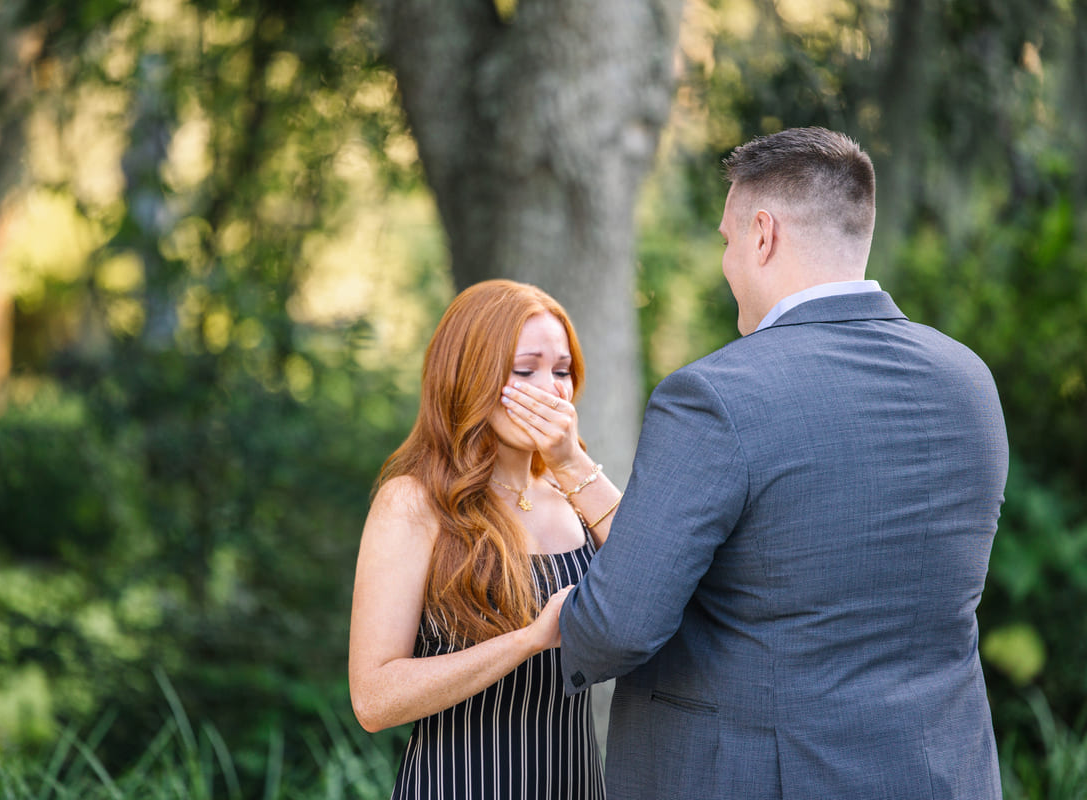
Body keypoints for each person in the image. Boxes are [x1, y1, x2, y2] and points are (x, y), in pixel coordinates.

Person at [558, 127, 1009, 799]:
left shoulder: (714, 396)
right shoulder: (967, 381)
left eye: (727, 239)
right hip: (943, 775)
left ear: (763, 234)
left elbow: (618, 626)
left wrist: (556, 618)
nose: (727, 261)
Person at [350, 279, 622, 799]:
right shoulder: (413, 502)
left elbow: (656, 574)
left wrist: (571, 464)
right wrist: (529, 640)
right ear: (469, 376)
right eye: (525, 370)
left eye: (562, 371)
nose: (551, 389)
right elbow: (373, 700)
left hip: (576, 782)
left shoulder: (573, 492)